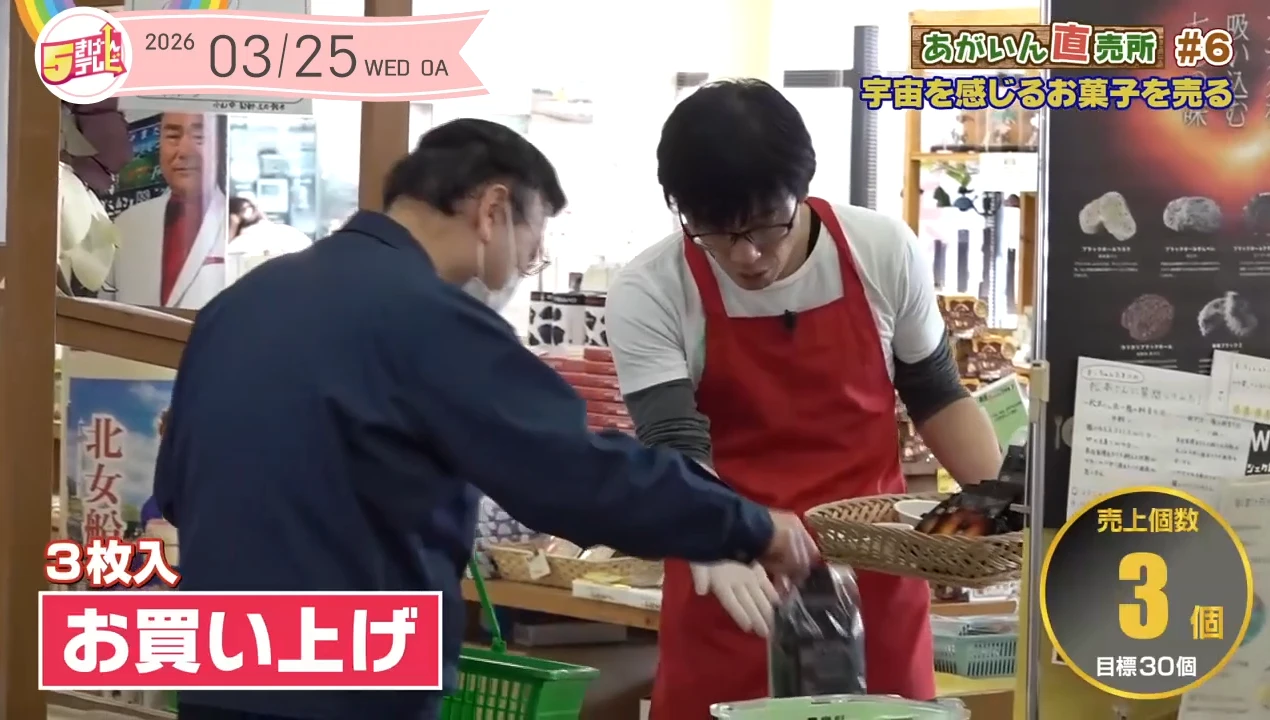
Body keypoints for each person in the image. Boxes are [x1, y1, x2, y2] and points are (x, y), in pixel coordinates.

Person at [154, 118, 819, 720]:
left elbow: (177, 492)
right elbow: (574, 473)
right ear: (493, 210)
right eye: (533, 244)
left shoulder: (238, 307)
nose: (524, 269)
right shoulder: (428, 317)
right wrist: (751, 526)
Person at [605, 79, 1004, 718]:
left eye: (768, 225)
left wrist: (1004, 506)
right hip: (734, 581)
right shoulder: (651, 289)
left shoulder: (880, 250)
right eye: (716, 231)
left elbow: (937, 396)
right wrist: (715, 540)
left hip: (875, 581)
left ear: (804, 190)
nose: (747, 254)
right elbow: (674, 443)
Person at [112, 112, 228, 309]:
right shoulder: (126, 224)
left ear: (221, 145)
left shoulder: (244, 228)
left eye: (199, 137)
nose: (184, 151)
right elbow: (104, 314)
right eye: (173, 136)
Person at [225, 195, 313, 283]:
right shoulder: (293, 233)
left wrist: (230, 235)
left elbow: (224, 283)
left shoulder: (236, 248)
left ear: (232, 220)